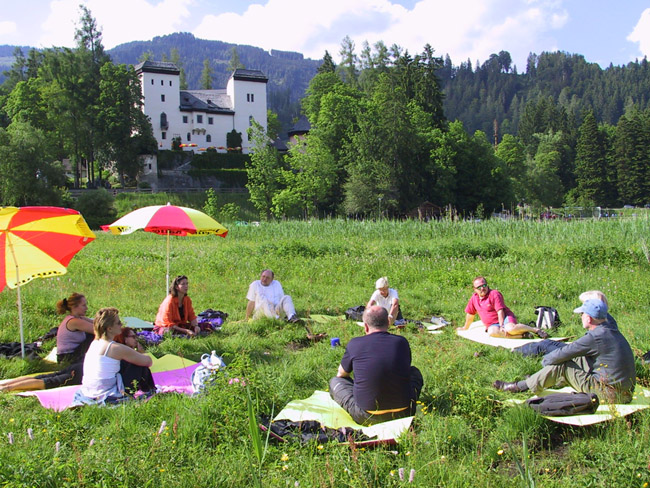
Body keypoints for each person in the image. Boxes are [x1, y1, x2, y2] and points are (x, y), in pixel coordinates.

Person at [494, 298, 636, 403]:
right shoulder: (609, 328)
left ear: (588, 317)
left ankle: (520, 386)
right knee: (577, 358)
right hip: (625, 392)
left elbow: (565, 352)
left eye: (582, 314)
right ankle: (544, 380)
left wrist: (546, 361)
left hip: (611, 394)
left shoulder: (595, 337)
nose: (580, 317)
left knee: (563, 364)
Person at [329, 306, 423, 425]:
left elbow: (341, 374)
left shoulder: (355, 344)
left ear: (366, 326)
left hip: (366, 415)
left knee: (335, 381)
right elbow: (404, 369)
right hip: (404, 411)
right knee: (414, 372)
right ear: (388, 323)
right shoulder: (401, 342)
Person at [72, 308, 153, 406]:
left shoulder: (94, 343)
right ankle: (150, 392)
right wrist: (141, 353)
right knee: (139, 366)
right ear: (109, 328)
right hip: (106, 392)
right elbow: (148, 362)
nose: (121, 325)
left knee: (124, 363)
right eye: (118, 323)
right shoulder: (115, 348)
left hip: (89, 390)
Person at [513, 290, 614, 357]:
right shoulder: (607, 321)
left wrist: (550, 360)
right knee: (548, 342)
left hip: (584, 357)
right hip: (585, 353)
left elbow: (580, 349)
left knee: (544, 346)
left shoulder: (599, 329)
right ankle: (517, 350)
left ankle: (515, 353)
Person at [457, 276, 549, 339]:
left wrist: (502, 326)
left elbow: (500, 311)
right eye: (479, 287)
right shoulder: (474, 298)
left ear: (487, 285)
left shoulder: (494, 294)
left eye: (484, 285)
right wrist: (465, 327)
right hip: (492, 324)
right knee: (492, 332)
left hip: (504, 317)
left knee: (510, 329)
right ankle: (522, 336)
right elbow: (470, 314)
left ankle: (535, 330)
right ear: (475, 289)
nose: (482, 288)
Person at [56, 293, 95, 363]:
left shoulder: (79, 318)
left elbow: (97, 323)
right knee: (96, 336)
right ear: (74, 307)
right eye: (84, 305)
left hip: (72, 353)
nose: (86, 308)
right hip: (67, 357)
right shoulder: (74, 321)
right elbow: (100, 330)